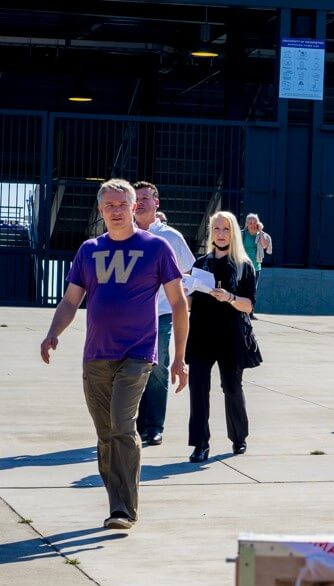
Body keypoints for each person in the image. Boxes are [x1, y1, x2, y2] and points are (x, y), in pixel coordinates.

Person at [39, 178, 189, 530]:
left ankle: (123, 508)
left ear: (135, 207)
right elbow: (71, 300)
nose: (116, 211)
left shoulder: (156, 248)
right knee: (106, 435)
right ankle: (117, 498)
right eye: (110, 205)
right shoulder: (88, 250)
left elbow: (179, 304)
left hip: (137, 354)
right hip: (96, 357)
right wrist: (52, 333)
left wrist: (179, 357)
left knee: (122, 426)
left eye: (123, 204)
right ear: (101, 209)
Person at [186, 211, 258, 463]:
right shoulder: (200, 263)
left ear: (233, 233)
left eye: (225, 229)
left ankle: (239, 437)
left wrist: (229, 297)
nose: (220, 233)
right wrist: (187, 291)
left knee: (231, 387)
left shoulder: (243, 265)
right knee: (198, 390)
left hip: (230, 336)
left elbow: (249, 306)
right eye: (216, 229)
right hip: (201, 336)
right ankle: (200, 444)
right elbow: (190, 304)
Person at [132, 181, 195, 447]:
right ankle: (135, 426)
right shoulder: (123, 234)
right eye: (137, 198)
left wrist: (185, 304)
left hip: (161, 313)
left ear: (156, 203)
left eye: (146, 198)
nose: (141, 202)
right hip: (130, 315)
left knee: (157, 369)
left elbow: (190, 272)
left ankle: (154, 426)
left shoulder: (171, 237)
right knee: (132, 370)